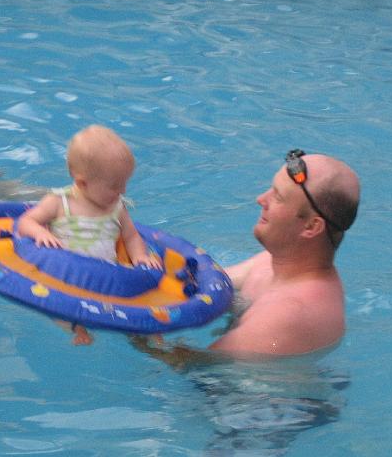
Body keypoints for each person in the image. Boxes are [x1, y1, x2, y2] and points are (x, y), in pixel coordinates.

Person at [136, 150, 360, 362]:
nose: (261, 199)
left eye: (278, 197)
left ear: (311, 226)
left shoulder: (290, 313)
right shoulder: (272, 262)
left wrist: (135, 329)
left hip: (266, 400)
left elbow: (190, 363)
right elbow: (204, 286)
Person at [17, 125, 163, 345]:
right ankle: (77, 329)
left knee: (135, 315)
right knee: (57, 308)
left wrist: (140, 257)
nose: (123, 191)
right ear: (82, 183)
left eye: (125, 183)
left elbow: (131, 237)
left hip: (108, 281)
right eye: (115, 186)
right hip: (66, 279)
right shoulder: (59, 203)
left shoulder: (117, 207)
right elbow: (25, 222)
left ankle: (145, 336)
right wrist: (39, 233)